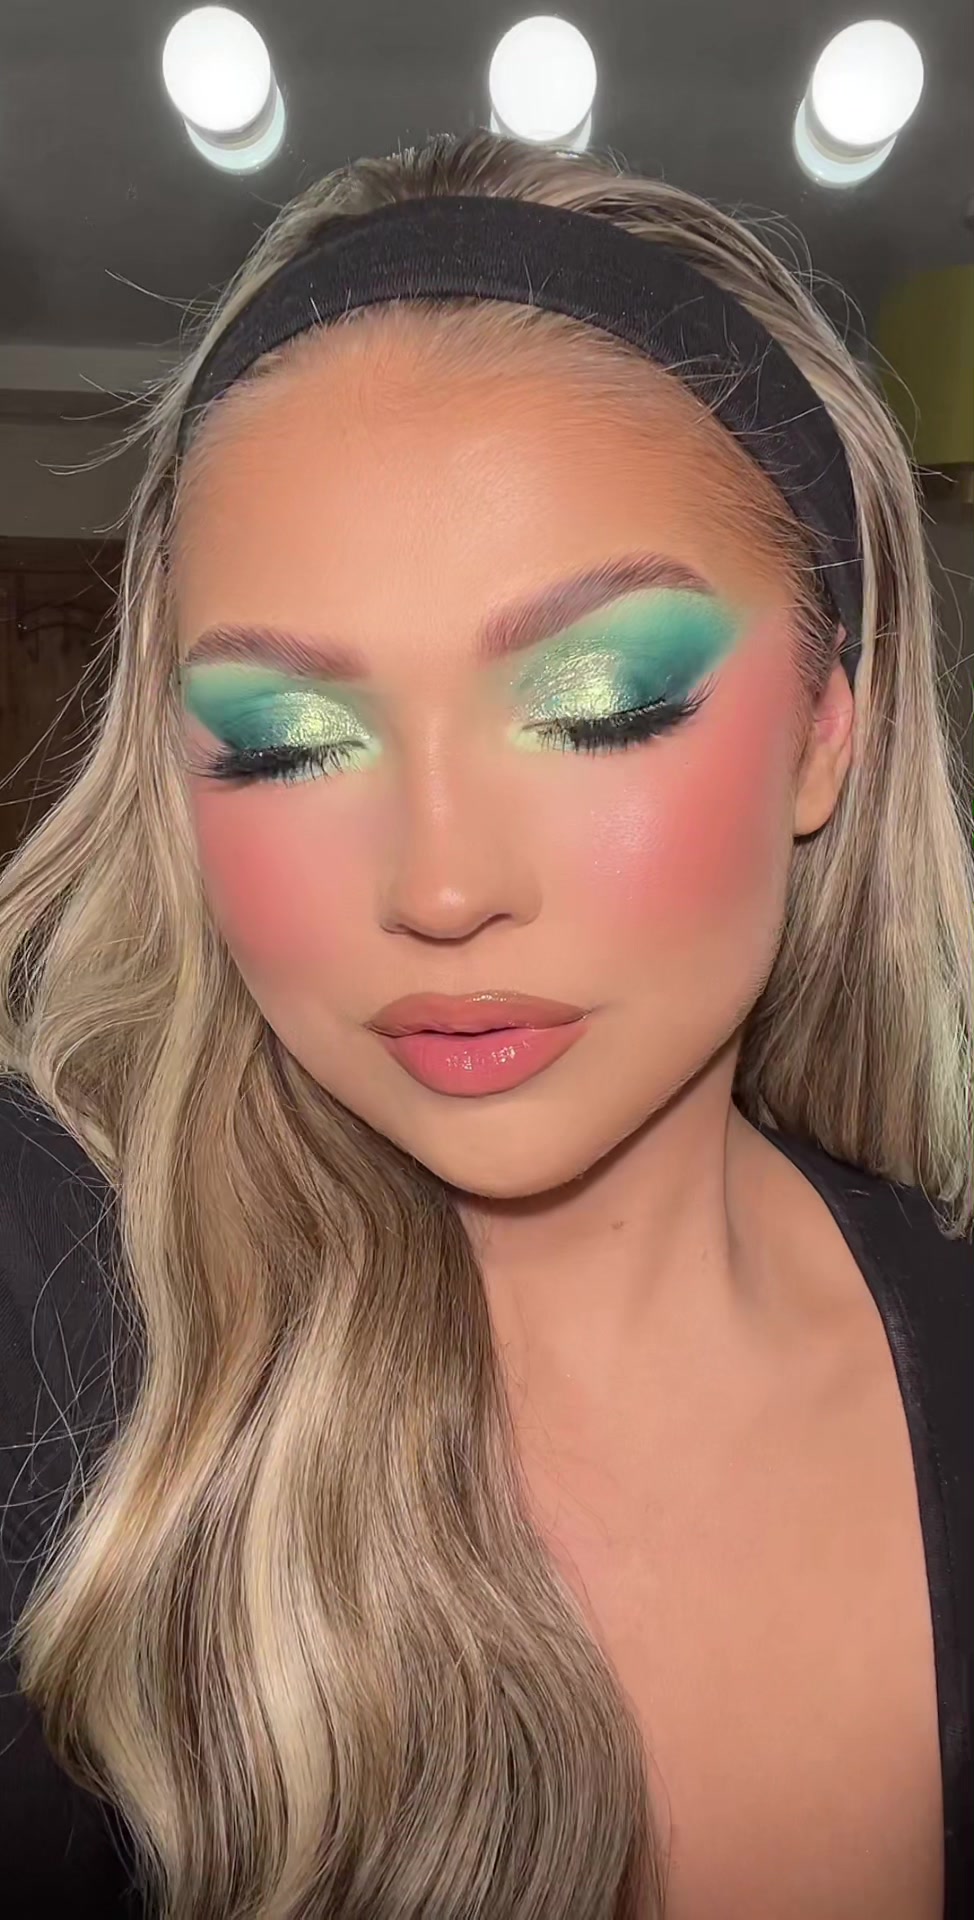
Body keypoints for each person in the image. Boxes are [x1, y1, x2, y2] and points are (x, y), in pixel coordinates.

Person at [0, 126, 970, 1920]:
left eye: (593, 702)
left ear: (824, 729)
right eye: (289, 740)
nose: (440, 887)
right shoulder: (49, 1309)